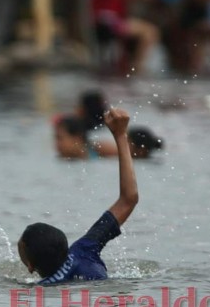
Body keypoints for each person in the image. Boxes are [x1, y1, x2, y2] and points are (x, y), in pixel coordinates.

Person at [19, 108, 139, 284]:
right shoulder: (84, 249)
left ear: (30, 266)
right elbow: (129, 199)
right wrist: (120, 135)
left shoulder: (43, 288)